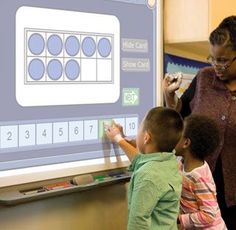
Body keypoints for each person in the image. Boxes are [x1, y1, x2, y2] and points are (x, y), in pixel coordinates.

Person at [163, 15, 236, 229]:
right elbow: (180, 116)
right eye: (212, 58)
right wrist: (169, 96)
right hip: (198, 187)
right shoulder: (205, 78)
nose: (216, 66)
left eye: (223, 60)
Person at [105, 107, 183, 230]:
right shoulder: (169, 160)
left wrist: (118, 138)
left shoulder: (147, 176)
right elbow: (141, 160)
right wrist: (119, 138)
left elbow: (137, 224)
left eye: (140, 128)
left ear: (146, 137)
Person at [175, 114, 227, 229]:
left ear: (186, 143)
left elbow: (209, 215)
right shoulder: (181, 163)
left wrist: (179, 219)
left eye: (178, 132)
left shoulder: (198, 177)